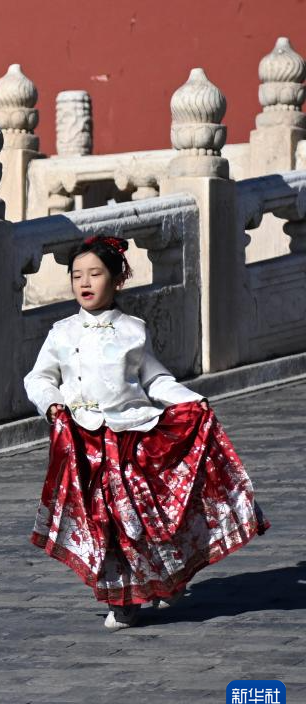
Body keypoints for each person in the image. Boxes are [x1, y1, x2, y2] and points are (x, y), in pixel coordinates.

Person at [23, 236, 267, 631]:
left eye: (95, 274)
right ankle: (123, 598)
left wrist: (191, 401)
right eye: (77, 275)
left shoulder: (133, 330)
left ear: (118, 279)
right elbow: (38, 378)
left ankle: (162, 577)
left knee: (139, 518)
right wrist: (51, 402)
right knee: (103, 521)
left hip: (131, 437)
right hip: (85, 444)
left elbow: (155, 380)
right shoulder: (62, 333)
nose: (85, 282)